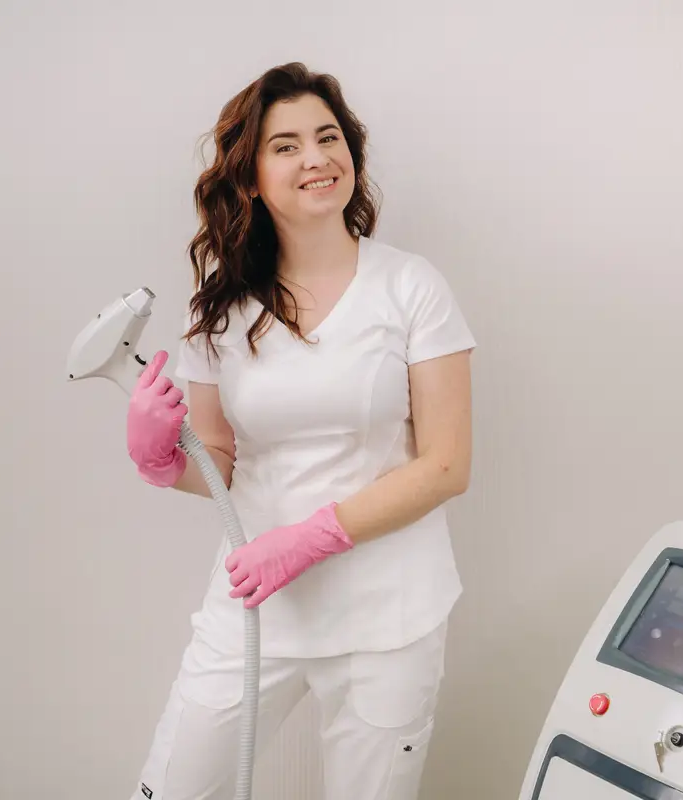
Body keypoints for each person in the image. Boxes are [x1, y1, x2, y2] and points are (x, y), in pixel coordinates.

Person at [123, 62, 476, 800]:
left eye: (328, 137)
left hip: (389, 617)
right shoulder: (220, 310)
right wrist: (160, 458)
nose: (316, 157)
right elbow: (217, 455)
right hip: (255, 607)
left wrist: (313, 537)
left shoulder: (411, 287)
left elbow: (446, 465)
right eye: (286, 146)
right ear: (250, 177)